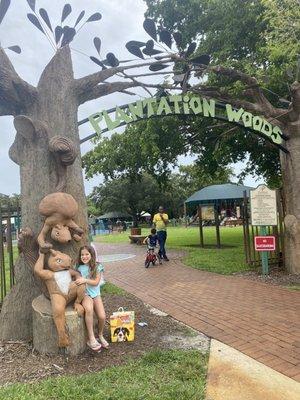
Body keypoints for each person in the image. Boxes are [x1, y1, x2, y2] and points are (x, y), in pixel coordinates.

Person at [75, 245, 109, 352]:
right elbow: (77, 280)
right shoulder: (79, 268)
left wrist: (84, 280)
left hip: (95, 294)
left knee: (102, 316)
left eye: (86, 254)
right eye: (82, 255)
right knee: (89, 310)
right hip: (85, 294)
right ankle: (91, 338)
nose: (84, 257)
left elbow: (96, 282)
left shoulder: (97, 266)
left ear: (91, 255)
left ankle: (100, 334)